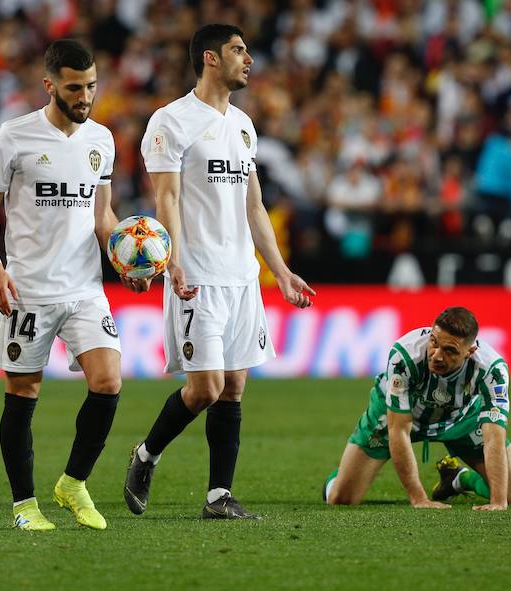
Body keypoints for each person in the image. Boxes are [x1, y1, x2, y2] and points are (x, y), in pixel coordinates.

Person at [124, 24, 315, 520]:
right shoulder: (171, 122)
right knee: (204, 388)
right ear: (210, 58)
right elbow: (167, 197)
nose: (248, 58)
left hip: (243, 277)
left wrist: (282, 271)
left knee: (233, 388)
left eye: (248, 49)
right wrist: (174, 263)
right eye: (238, 50)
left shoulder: (245, 126)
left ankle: (218, 496)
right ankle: (146, 455)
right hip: (197, 275)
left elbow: (254, 207)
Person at [0, 39, 144, 531]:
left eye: (92, 85)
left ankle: (73, 482)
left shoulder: (102, 140)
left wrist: (126, 260)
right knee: (24, 392)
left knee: (108, 381)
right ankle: (24, 506)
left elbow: (103, 215)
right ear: (50, 85)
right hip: (27, 289)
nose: (85, 95)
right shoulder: (14, 136)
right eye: (75, 87)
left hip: (85, 288)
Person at [323, 306, 511, 510]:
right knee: (341, 498)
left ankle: (460, 479)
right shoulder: (404, 356)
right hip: (403, 416)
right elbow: (398, 430)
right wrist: (419, 499)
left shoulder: (492, 370)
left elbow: (493, 436)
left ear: (470, 351)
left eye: (450, 350)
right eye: (434, 343)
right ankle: (345, 474)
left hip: (461, 418)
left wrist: (498, 501)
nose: (437, 356)